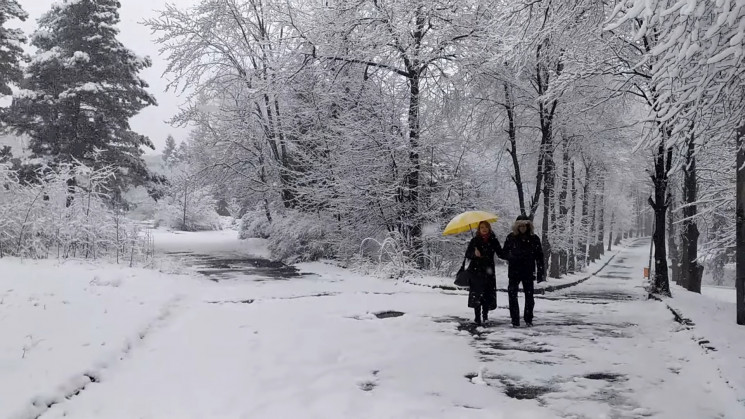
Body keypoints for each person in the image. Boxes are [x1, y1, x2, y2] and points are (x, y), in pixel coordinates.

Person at [502, 215, 544, 327]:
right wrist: (510, 256)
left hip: (528, 271)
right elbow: (503, 253)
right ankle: (515, 319)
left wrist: (540, 272)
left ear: (528, 225)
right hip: (514, 271)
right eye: (520, 225)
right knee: (512, 295)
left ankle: (528, 318)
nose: (522, 227)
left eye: (524, 225)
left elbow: (539, 256)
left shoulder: (534, 239)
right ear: (517, 226)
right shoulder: (511, 237)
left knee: (529, 297)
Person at [464, 221, 503, 325]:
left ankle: (485, 315)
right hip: (476, 271)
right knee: (477, 294)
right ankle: (477, 317)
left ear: (489, 228)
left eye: (486, 227)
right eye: (482, 227)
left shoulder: (493, 240)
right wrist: (474, 253)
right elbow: (467, 254)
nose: (484, 229)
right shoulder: (475, 240)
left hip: (488, 270)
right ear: (479, 229)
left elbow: (500, 253)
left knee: (487, 293)